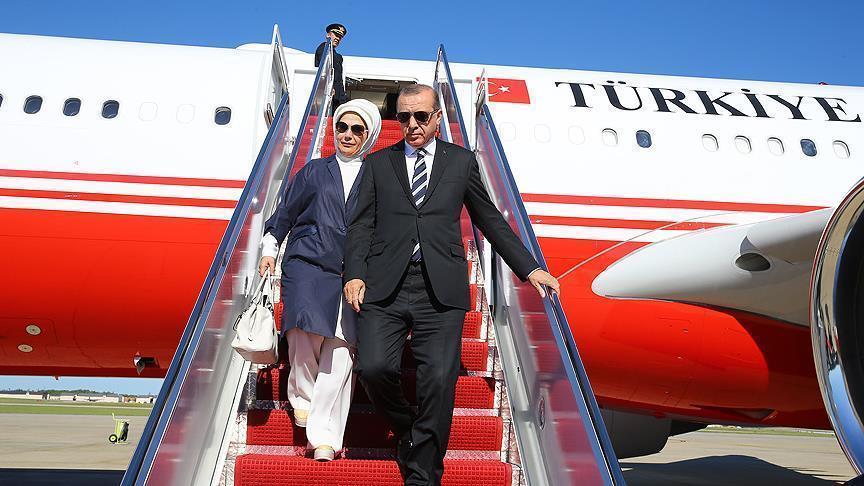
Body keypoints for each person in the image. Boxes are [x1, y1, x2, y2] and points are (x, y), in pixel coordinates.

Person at [343, 84, 560, 485]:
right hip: (386, 285)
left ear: (437, 118)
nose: (412, 124)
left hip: (440, 290)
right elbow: (360, 226)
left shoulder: (460, 162)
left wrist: (529, 268)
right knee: (373, 368)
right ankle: (409, 431)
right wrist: (354, 272)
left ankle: (423, 475)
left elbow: (488, 218)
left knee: (439, 382)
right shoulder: (377, 164)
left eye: (420, 116)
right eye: (404, 117)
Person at [259, 98, 381, 462]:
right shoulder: (314, 171)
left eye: (356, 129)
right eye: (341, 127)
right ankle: (302, 395)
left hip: (355, 271)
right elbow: (285, 213)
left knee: (342, 350)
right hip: (309, 262)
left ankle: (325, 436)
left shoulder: (378, 176)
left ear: (369, 135)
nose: (347, 135)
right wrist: (270, 247)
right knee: (303, 330)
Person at [314, 23, 347, 114]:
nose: (337, 38)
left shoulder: (338, 56)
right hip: (327, 94)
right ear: (328, 35)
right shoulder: (323, 49)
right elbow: (323, 71)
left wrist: (343, 98)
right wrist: (328, 87)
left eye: (340, 37)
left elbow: (339, 79)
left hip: (338, 97)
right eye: (335, 35)